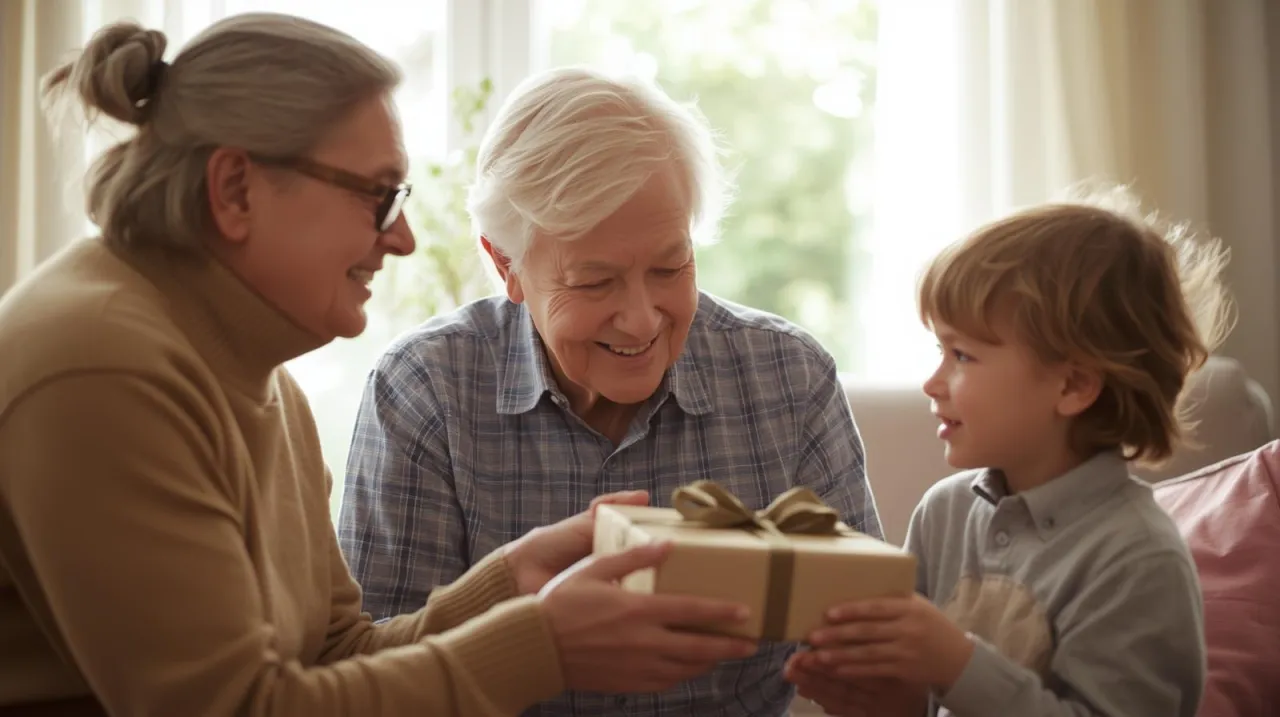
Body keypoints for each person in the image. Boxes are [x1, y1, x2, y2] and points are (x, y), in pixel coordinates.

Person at [0, 14, 761, 716]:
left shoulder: (257, 377)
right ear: (235, 189)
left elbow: (331, 656)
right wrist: (547, 645)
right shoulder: (103, 367)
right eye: (376, 196)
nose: (401, 241)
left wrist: (505, 585)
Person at [337, 66, 882, 717]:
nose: (643, 318)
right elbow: (373, 681)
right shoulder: (425, 391)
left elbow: (874, 642)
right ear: (505, 264)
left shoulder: (791, 378)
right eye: (595, 282)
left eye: (670, 266)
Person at [785, 187, 1230, 716]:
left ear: (1073, 387)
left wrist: (957, 663)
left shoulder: (1138, 558)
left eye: (962, 355)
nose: (932, 383)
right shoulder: (944, 513)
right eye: (939, 350)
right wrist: (885, 702)